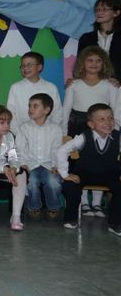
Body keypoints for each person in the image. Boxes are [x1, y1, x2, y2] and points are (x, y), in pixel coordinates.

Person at [57, 103, 120, 236]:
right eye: (101, 119)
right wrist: (65, 174)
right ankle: (71, 218)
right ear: (91, 124)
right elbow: (62, 150)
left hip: (109, 174)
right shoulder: (84, 137)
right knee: (70, 185)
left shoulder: (118, 137)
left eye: (110, 118)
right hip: (84, 173)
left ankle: (115, 223)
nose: (107, 122)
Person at [15, 93, 63, 221]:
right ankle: (33, 206)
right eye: (29, 105)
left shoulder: (55, 129)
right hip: (31, 165)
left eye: (35, 106)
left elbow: (57, 149)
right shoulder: (24, 127)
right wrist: (23, 163)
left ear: (46, 110)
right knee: (31, 182)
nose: (30, 109)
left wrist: (56, 165)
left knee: (53, 182)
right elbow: (19, 148)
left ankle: (54, 207)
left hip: (48, 165)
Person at [63, 45, 117, 137]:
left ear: (104, 64)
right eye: (90, 60)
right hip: (77, 126)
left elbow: (115, 109)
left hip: (102, 126)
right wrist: (63, 131)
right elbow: (66, 110)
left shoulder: (110, 85)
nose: (94, 63)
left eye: (98, 60)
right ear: (82, 63)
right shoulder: (73, 84)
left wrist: (115, 130)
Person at [6, 51, 62, 135]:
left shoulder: (51, 88)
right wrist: (18, 134)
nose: (25, 68)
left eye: (29, 65)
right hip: (22, 133)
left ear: (39, 67)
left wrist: (51, 132)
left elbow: (57, 112)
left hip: (46, 133)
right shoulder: (15, 88)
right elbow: (10, 113)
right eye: (23, 66)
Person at [77, 0, 121, 81]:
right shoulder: (86, 38)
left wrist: (118, 81)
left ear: (116, 13)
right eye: (97, 10)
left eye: (104, 10)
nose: (99, 13)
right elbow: (80, 64)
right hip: (92, 84)